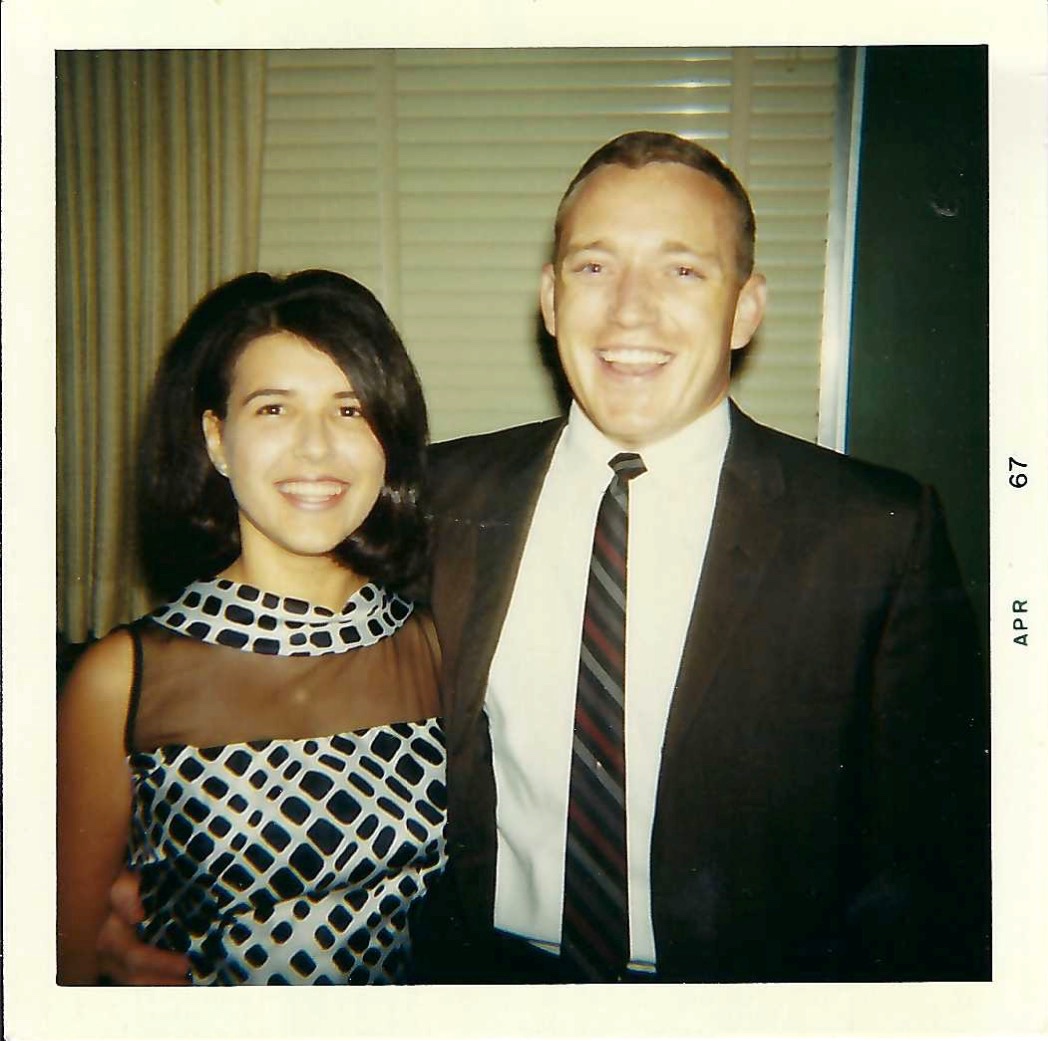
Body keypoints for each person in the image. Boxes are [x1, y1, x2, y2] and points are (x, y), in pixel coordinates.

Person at [95, 131, 990, 984]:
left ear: (745, 308)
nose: (630, 309)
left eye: (682, 269)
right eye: (595, 267)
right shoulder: (431, 495)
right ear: (552, 299)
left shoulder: (875, 532)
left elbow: (935, 867)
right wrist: (131, 910)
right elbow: (277, 680)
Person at [57, 270, 446, 985]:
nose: (316, 447)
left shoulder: (435, 646)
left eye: (350, 409)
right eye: (273, 409)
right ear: (217, 438)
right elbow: (65, 964)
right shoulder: (122, 679)